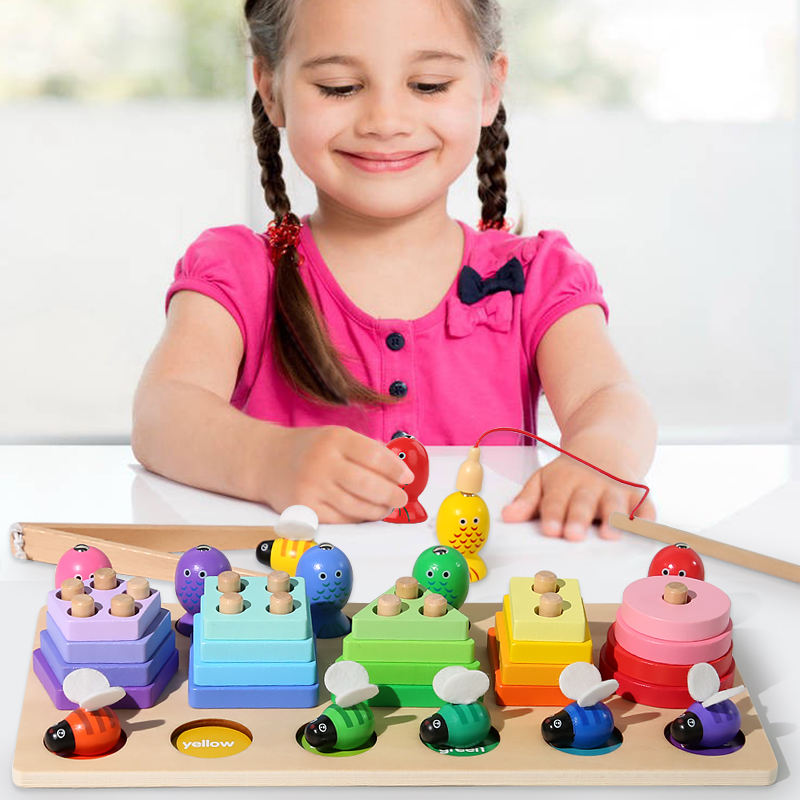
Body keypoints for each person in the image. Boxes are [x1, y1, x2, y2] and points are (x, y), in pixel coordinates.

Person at [132, 0, 657, 538]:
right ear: (270, 89)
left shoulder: (536, 277)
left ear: (490, 87)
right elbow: (162, 413)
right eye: (339, 88)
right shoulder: (238, 273)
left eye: (428, 85)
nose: (385, 122)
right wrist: (268, 461)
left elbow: (606, 397)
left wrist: (600, 459)